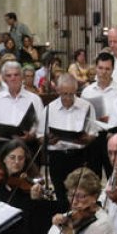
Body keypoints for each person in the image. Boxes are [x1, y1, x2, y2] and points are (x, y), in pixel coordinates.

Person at [44, 74, 99, 202]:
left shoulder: (86, 106)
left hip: (79, 156)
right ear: (58, 90)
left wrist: (87, 139)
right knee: (61, 195)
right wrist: (48, 140)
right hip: (57, 157)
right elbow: (41, 135)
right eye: (64, 94)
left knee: (80, 194)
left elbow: (94, 133)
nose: (68, 98)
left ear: (75, 91)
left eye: (71, 94)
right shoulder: (49, 109)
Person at [80, 51, 117, 121]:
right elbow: (80, 116)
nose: (104, 72)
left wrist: (111, 120)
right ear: (96, 68)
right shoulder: (86, 92)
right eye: (100, 68)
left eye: (107, 69)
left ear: (113, 70)